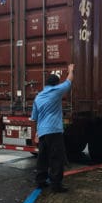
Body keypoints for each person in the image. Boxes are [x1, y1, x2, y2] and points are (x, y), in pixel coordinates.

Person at [31, 64, 74, 193]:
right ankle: (56, 185)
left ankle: (40, 182)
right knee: (56, 158)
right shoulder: (56, 91)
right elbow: (69, 81)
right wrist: (71, 70)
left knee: (42, 158)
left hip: (43, 132)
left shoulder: (38, 97)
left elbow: (34, 117)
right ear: (55, 84)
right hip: (54, 131)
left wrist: (36, 133)